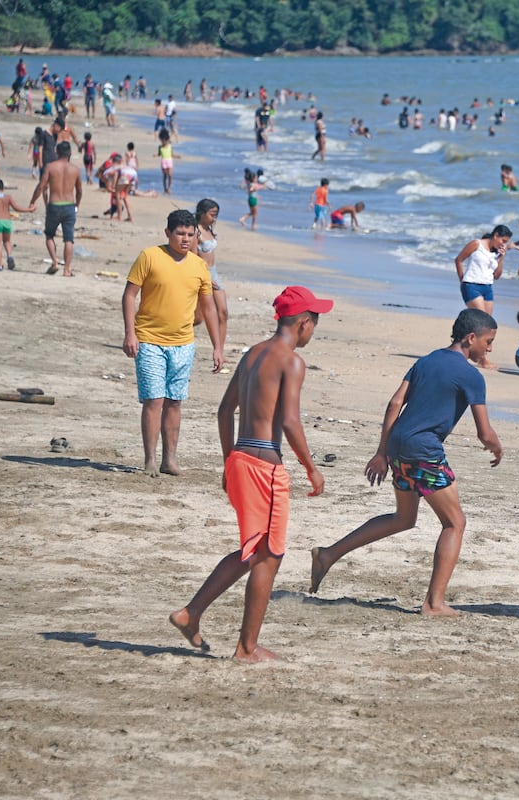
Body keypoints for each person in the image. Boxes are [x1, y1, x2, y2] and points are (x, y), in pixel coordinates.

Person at [169, 286, 331, 662]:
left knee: (252, 550)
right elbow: (290, 421)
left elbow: (225, 412)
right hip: (264, 465)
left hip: (240, 457)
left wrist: (229, 461)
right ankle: (247, 648)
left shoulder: (252, 354)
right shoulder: (290, 361)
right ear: (303, 322)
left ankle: (190, 613)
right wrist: (311, 468)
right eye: (315, 323)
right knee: (268, 556)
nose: (314, 331)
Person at [309, 308, 503, 616]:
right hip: (423, 451)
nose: (490, 348)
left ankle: (328, 554)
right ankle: (434, 603)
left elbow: (395, 402)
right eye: (488, 341)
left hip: (399, 446)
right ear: (471, 338)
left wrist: (382, 452)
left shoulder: (426, 360)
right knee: (455, 523)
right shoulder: (471, 376)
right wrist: (496, 448)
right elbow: (484, 432)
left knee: (404, 518)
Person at [120, 209, 224, 477]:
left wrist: (217, 346)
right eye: (180, 233)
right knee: (154, 400)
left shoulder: (199, 266)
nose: (185, 239)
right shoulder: (149, 257)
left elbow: (209, 308)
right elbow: (130, 295)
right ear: (168, 233)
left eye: (190, 235)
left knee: (175, 402)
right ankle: (150, 460)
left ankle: (170, 459)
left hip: (183, 343)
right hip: (149, 340)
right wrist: (130, 333)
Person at [455, 225, 511, 368]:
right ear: (496, 235)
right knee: (481, 322)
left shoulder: (496, 253)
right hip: (471, 285)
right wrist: (462, 280)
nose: (503, 244)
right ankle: (482, 359)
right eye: (503, 240)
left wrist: (502, 257)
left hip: (487, 287)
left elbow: (497, 275)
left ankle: (475, 354)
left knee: (488, 324)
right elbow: (459, 260)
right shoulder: (476, 244)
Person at [28, 140, 82, 276]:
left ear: (56, 152)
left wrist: (33, 201)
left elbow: (41, 186)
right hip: (69, 206)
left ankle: (55, 262)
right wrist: (77, 205)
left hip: (54, 205)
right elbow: (79, 191)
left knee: (49, 235)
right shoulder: (75, 170)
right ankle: (67, 269)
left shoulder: (50, 167)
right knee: (68, 239)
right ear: (70, 153)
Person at [193, 198, 229, 358]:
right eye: (212, 214)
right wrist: (204, 278)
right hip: (203, 274)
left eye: (216, 215)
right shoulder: (195, 231)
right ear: (202, 213)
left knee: (223, 313)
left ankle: (219, 350)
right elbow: (193, 257)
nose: (214, 218)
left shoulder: (208, 229)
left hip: (214, 272)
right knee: (197, 318)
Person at [0, 178, 32, 271]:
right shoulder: (8, 197)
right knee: (7, 241)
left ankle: (0, 265)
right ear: (2, 188)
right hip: (7, 221)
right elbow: (16, 208)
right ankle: (9, 256)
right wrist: (29, 210)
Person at [157, 129, 174, 195]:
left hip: (169, 160)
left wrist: (177, 156)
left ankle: (169, 187)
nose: (163, 141)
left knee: (170, 175)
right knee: (164, 175)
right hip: (163, 161)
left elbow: (172, 154)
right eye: (162, 140)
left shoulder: (170, 146)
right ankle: (165, 188)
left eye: (164, 140)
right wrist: (156, 155)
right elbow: (159, 154)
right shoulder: (160, 147)